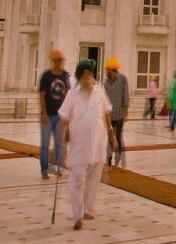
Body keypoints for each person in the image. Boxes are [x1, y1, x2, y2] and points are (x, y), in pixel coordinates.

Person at [58, 59, 118, 231]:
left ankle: (86, 209)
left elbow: (106, 112)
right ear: (79, 77)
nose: (88, 80)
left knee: (93, 180)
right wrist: (61, 140)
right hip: (79, 146)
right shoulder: (72, 94)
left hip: (98, 144)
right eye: (85, 76)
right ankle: (77, 216)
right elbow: (64, 117)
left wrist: (111, 132)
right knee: (78, 180)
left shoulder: (99, 91)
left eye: (90, 75)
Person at [38, 49, 70, 180]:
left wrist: (67, 115)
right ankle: (44, 170)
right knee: (45, 144)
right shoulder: (46, 76)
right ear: (53, 61)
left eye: (61, 60)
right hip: (48, 115)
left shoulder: (66, 76)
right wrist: (44, 114)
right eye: (57, 60)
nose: (59, 63)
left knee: (59, 144)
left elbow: (69, 96)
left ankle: (58, 168)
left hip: (60, 116)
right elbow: (42, 96)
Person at [103, 57, 129, 169]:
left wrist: (126, 112)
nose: (105, 72)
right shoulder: (106, 82)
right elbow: (104, 98)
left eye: (107, 69)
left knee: (118, 137)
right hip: (109, 116)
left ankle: (118, 161)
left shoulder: (123, 79)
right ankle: (108, 161)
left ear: (112, 69)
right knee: (109, 137)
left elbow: (126, 96)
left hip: (119, 115)